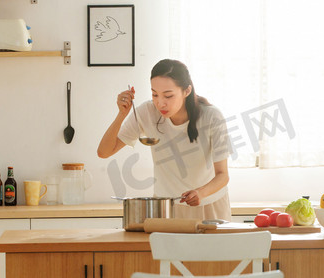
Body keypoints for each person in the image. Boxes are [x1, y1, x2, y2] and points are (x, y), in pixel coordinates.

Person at [97, 59, 232, 221]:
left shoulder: (211, 117)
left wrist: (200, 193)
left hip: (209, 206)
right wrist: (121, 114)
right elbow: (104, 152)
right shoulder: (147, 112)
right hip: (165, 207)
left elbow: (223, 175)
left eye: (168, 96)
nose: (160, 102)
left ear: (187, 91)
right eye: (155, 94)